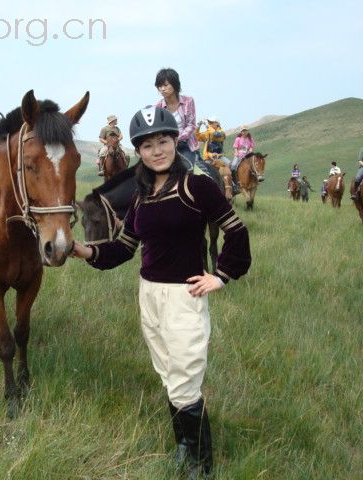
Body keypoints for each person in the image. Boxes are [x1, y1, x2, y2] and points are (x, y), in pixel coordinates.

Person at [72, 106, 252, 478]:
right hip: (149, 295)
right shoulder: (140, 196)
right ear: (139, 151)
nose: (157, 151)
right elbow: (123, 248)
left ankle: (202, 466)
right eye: (149, 145)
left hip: (184, 296)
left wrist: (221, 275)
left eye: (164, 142)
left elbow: (236, 231)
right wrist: (83, 250)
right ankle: (184, 448)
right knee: (169, 375)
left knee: (185, 378)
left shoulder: (195, 185)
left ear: (175, 142)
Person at [154, 68, 199, 168]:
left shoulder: (188, 101)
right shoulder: (158, 107)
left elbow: (191, 125)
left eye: (165, 85)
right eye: (159, 86)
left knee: (187, 169)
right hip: (166, 147)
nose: (162, 89)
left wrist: (177, 139)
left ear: (174, 84)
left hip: (186, 146)